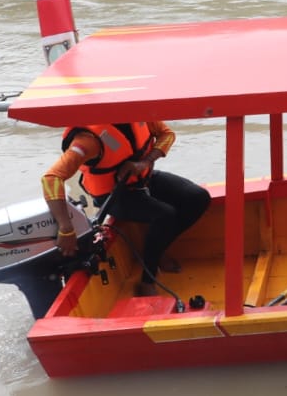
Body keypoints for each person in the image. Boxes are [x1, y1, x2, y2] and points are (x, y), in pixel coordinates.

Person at [42, 121, 211, 297]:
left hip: (143, 178)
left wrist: (145, 162)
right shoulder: (88, 140)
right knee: (165, 215)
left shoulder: (138, 115)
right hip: (113, 194)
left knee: (198, 198)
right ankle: (148, 280)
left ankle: (157, 250)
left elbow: (167, 135)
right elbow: (51, 178)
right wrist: (66, 228)